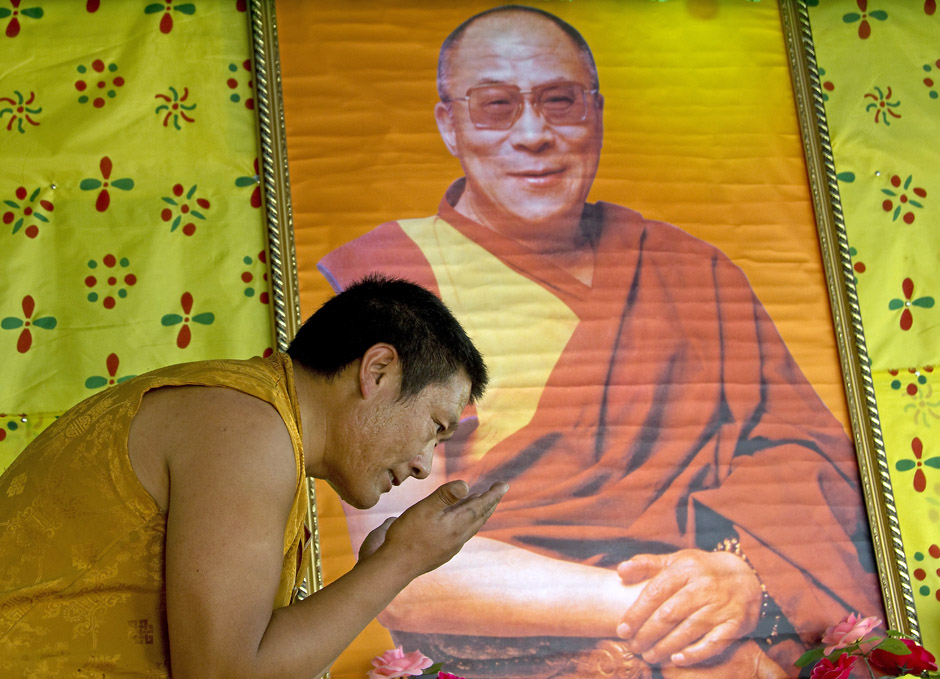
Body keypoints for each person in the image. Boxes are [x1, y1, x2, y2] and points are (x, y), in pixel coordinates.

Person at [317, 6, 884, 679]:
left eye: (561, 101)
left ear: (597, 113)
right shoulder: (392, 281)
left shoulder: (689, 272)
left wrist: (745, 581)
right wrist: (667, 604)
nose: (534, 133)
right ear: (450, 124)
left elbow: (813, 470)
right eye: (496, 105)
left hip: (728, 638)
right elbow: (404, 565)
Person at [0, 274, 507, 678]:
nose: (423, 463)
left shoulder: (260, 422)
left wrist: (382, 566)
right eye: (435, 428)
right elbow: (225, 673)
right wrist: (399, 562)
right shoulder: (245, 426)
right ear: (377, 372)